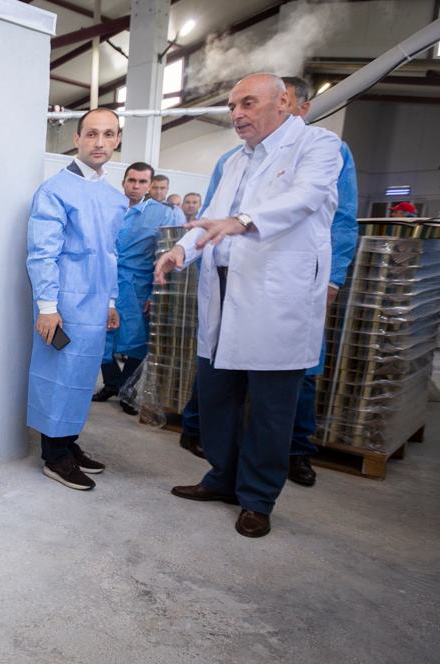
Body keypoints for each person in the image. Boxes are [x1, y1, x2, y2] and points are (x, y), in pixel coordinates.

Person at [155, 73, 342, 538]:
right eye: (232, 106)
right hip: (223, 292)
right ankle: (222, 477)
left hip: (276, 296)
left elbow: (304, 199)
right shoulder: (236, 160)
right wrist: (181, 250)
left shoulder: (317, 146)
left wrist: (242, 221)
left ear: (283, 102)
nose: (236, 114)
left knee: (270, 409)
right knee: (217, 397)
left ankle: (257, 498)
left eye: (248, 104)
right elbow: (210, 220)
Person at [27, 107, 127, 491]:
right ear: (77, 138)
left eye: (108, 134)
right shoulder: (55, 191)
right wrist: (47, 307)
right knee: (59, 377)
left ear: (117, 139)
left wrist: (111, 301)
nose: (99, 142)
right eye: (91, 134)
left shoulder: (114, 198)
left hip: (96, 303)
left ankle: (68, 443)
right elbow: (42, 253)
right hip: (64, 304)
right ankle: (54, 456)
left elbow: (111, 254)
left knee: (83, 377)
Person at [93, 161, 184, 414]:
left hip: (137, 285)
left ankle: (127, 389)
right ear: (123, 182)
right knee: (100, 336)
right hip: (105, 280)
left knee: (136, 340)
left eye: (142, 182)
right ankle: (111, 383)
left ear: (150, 185)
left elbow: (165, 256)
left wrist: (156, 293)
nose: (136, 186)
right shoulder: (109, 206)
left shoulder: (162, 214)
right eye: (131, 180)